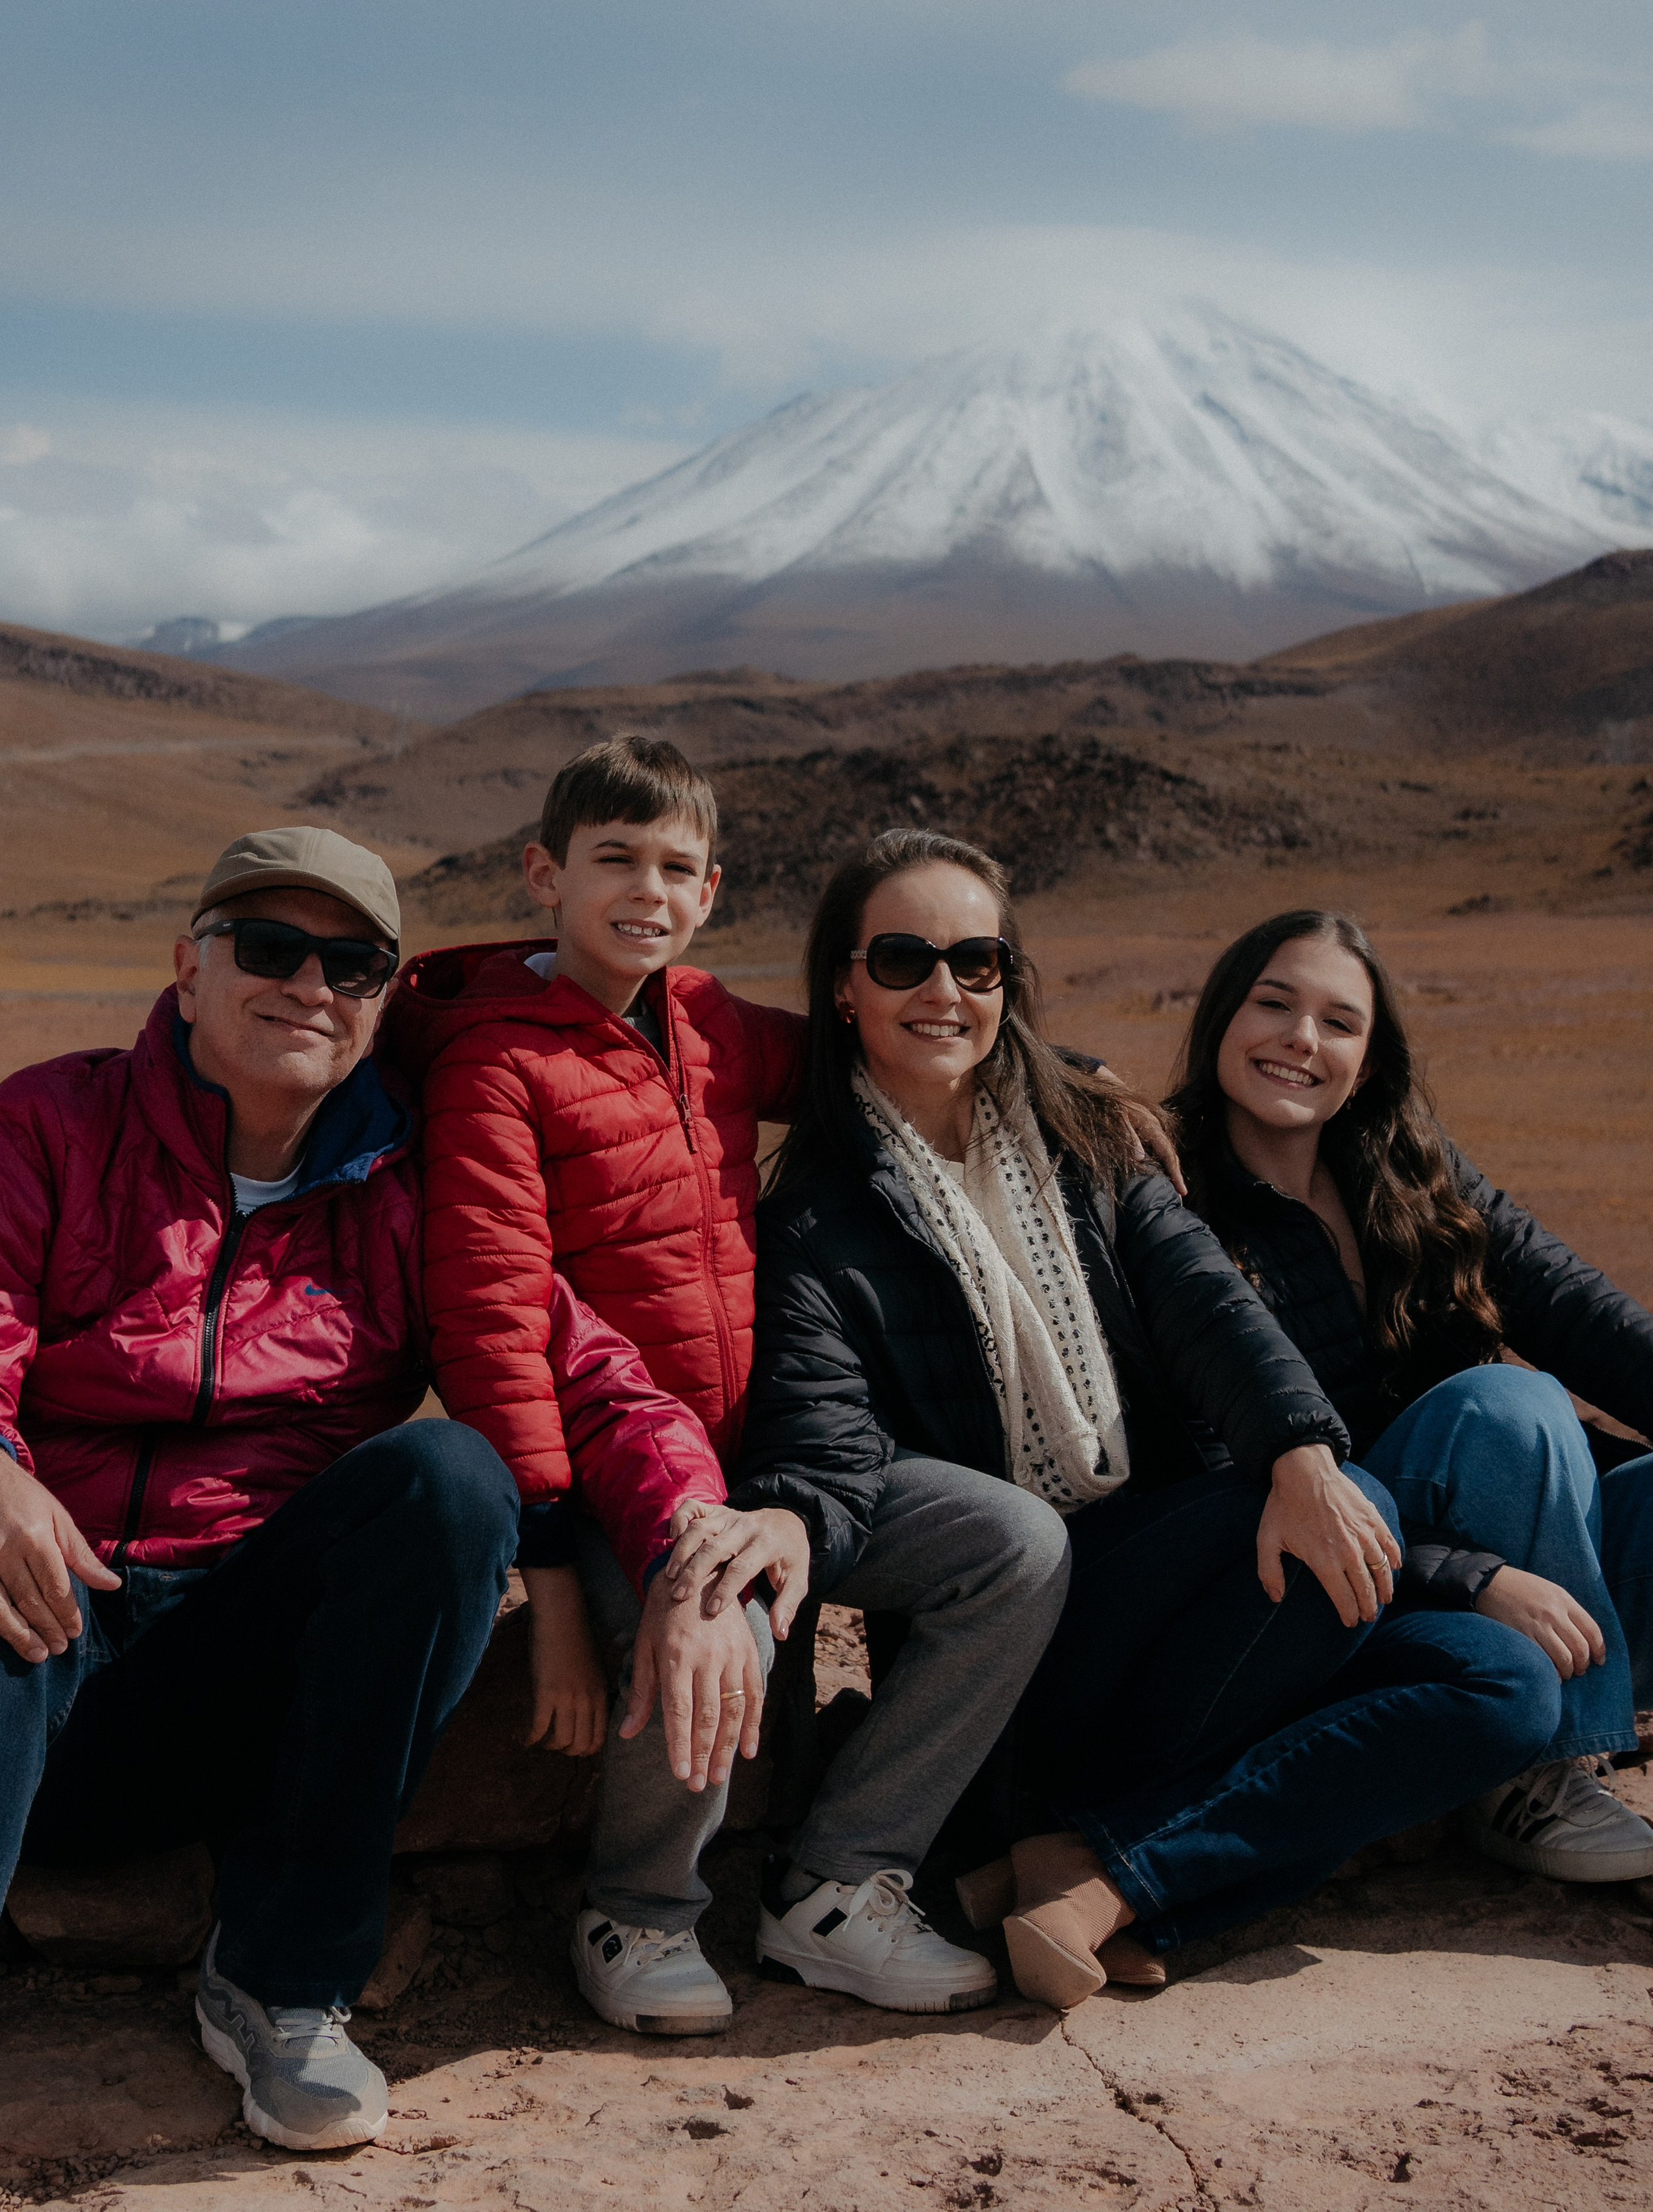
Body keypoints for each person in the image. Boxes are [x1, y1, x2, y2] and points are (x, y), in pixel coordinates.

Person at [697, 829, 1554, 2011]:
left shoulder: (1090, 1142)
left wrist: (1307, 1453)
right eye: (902, 959)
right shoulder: (813, 1222)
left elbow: (1208, 1306)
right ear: (843, 987)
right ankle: (1120, 1863)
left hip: (1193, 1603)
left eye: (977, 961)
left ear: (1010, 981)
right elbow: (825, 1441)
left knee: (1505, 1685)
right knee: (1320, 1537)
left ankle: (1094, 1877)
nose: (944, 991)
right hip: (1036, 1657)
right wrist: (793, 1517)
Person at [0, 827, 748, 2151]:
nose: (309, 986)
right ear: (188, 966)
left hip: (233, 1674)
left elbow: (586, 1374)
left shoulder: (407, 1188)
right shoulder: (54, 1120)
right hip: (36, 1637)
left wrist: (693, 1535)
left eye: (351, 963)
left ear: (386, 996)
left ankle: (283, 1984)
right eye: (268, 948)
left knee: (448, 1479)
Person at [384, 735, 811, 2038]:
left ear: (711, 891)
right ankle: (637, 1911)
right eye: (613, 859)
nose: (646, 888)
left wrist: (1062, 1080)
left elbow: (874, 1071)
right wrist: (554, 1591)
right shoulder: (493, 1063)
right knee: (717, 1633)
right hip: (601, 1477)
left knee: (991, 1556)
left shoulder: (713, 1026)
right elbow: (497, 1334)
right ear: (542, 875)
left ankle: (838, 1882)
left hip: (742, 1463)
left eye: (674, 866)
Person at [1167, 905, 1653, 1883]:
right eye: (1274, 1005)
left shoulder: (1409, 1171)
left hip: (1516, 1564)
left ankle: (1537, 1746)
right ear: (1222, 1017)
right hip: (1357, 1583)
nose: (1302, 1040)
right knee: (1508, 1407)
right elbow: (1218, 1472)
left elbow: (1575, 1310)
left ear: (1371, 1058)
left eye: (1339, 1022)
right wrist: (1470, 1577)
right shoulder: (1170, 1199)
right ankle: (1540, 1774)